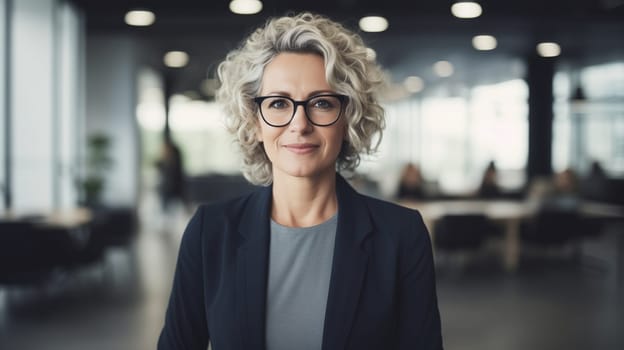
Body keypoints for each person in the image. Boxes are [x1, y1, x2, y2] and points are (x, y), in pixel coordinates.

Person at [158, 13, 442, 350]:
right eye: (278, 103)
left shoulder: (401, 236)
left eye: (321, 103)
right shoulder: (210, 232)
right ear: (254, 122)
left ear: (348, 118)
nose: (299, 124)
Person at [155, 139, 186, 212]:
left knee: (171, 216)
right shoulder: (163, 166)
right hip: (165, 196)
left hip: (173, 197)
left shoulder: (174, 170)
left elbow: (180, 185)